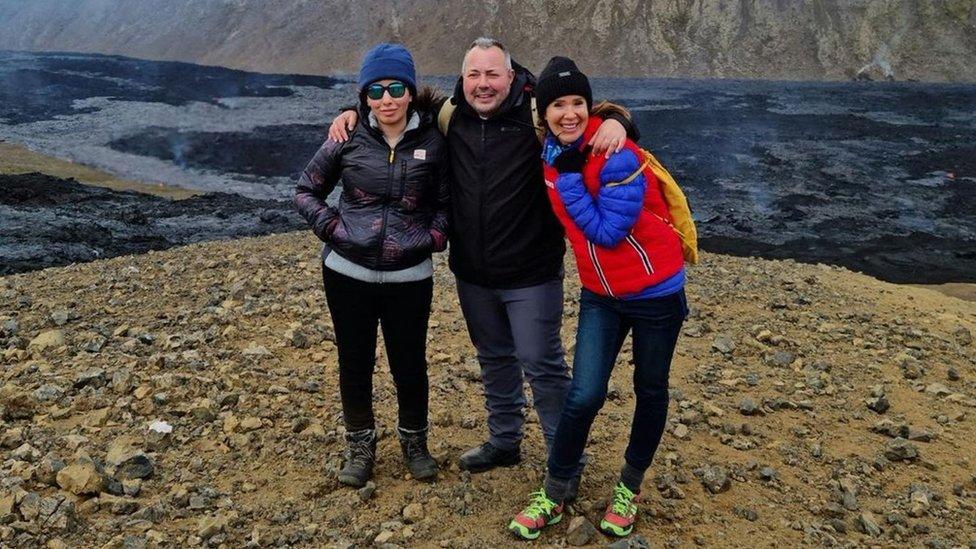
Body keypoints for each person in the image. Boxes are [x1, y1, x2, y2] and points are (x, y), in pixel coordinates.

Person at [328, 39, 639, 484]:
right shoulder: (449, 115)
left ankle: (564, 458)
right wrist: (352, 111)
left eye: (493, 74)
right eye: (474, 75)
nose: (483, 84)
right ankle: (505, 440)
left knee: (541, 362)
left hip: (531, 270)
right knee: (493, 356)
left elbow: (579, 117)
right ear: (463, 79)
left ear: (512, 77)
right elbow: (391, 102)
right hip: (473, 271)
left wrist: (619, 120)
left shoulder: (537, 115)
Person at [508, 57, 688, 541]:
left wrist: (578, 166)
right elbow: (489, 98)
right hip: (601, 295)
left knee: (650, 388)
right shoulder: (549, 152)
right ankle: (555, 490)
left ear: (591, 106)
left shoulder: (617, 154)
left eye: (579, 104)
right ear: (542, 113)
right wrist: (355, 111)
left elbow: (608, 232)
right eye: (558, 105)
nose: (569, 113)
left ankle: (628, 489)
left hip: (655, 293)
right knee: (584, 393)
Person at [294, 43, 450, 488]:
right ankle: (360, 445)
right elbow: (306, 190)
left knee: (409, 362)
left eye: (396, 87)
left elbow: (446, 203)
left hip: (409, 276)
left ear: (410, 91)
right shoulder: (346, 137)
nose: (386, 98)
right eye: (375, 90)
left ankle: (415, 443)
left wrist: (432, 239)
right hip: (347, 274)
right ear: (364, 96)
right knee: (355, 360)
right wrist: (335, 230)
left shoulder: (433, 142)